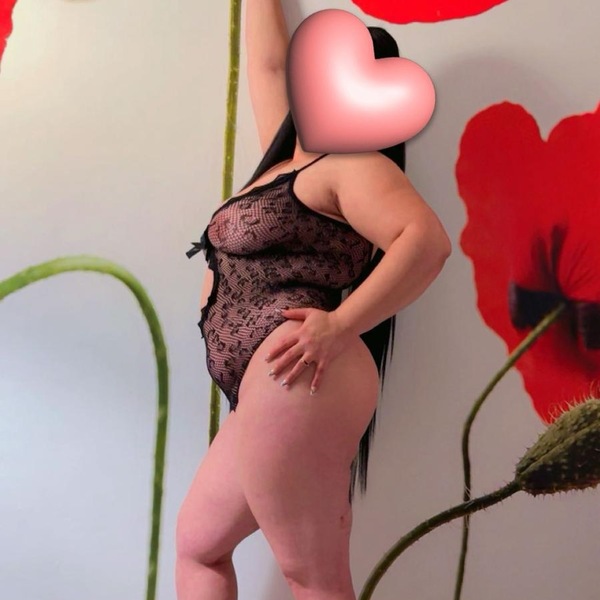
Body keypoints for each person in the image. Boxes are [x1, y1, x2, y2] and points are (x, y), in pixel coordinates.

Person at [176, 1, 452, 599]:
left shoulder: (352, 164)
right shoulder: (287, 162)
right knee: (199, 547)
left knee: (311, 575)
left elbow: (426, 242)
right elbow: (268, 66)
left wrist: (341, 323)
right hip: (265, 384)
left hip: (293, 369)